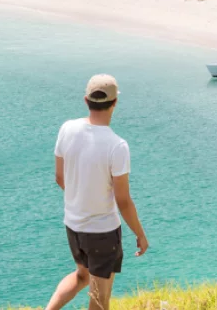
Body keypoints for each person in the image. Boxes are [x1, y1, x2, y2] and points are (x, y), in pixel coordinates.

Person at [47, 74, 149, 310]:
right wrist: (140, 234)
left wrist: (82, 197)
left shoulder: (67, 129)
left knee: (82, 276)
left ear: (86, 100)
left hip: (73, 225)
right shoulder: (117, 145)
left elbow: (59, 177)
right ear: (115, 103)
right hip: (102, 231)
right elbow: (122, 200)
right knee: (99, 299)